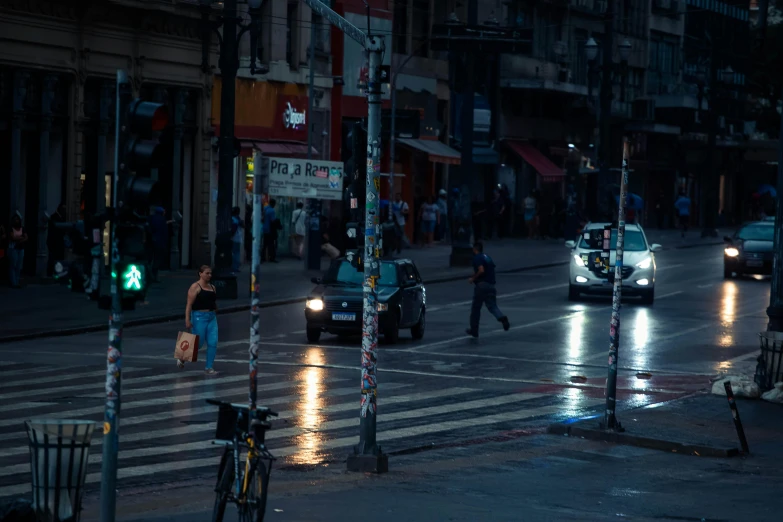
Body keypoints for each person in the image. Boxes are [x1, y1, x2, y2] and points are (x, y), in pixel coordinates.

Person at [466, 242, 510, 338]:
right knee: (492, 306)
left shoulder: (477, 258)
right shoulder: (487, 257)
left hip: (481, 286)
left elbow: (481, 270)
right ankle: (502, 318)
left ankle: (474, 330)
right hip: (491, 285)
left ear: (475, 249)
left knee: (476, 309)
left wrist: (473, 278)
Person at [184, 265, 219, 374]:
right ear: (200, 274)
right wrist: (187, 319)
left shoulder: (213, 287)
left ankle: (209, 367)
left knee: (213, 342)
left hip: (212, 317)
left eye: (210, 273)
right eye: (207, 273)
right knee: (198, 343)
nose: (209, 275)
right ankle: (183, 356)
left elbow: (213, 301)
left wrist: (215, 309)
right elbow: (189, 304)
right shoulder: (195, 287)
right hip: (199, 317)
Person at [6, 214, 28, 288]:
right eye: (15, 219)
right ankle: (13, 283)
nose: (16, 221)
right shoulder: (11, 228)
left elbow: (26, 237)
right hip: (13, 249)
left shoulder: (22, 228)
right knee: (13, 265)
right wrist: (21, 238)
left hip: (20, 249)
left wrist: (19, 238)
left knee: (18, 266)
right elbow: (13, 238)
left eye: (17, 219)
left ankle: (17, 282)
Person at [230, 206, 243, 273]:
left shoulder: (233, 219)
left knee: (234, 253)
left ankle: (234, 267)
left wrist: (231, 236)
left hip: (234, 238)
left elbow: (233, 229)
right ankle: (236, 266)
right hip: (238, 238)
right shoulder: (238, 219)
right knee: (237, 253)